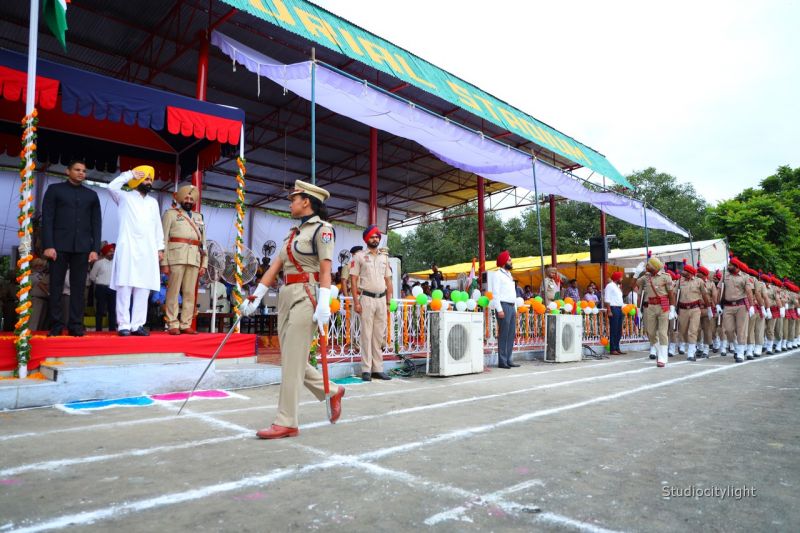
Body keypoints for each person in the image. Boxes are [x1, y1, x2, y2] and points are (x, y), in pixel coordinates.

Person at [240, 180, 344, 440]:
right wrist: (256, 296)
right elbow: (275, 267)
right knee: (290, 358)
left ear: (306, 201)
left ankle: (286, 421)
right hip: (285, 295)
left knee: (292, 362)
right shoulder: (293, 234)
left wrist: (322, 303)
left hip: (307, 295)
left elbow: (325, 269)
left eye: (293, 198)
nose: (290, 203)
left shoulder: (323, 230)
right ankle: (332, 390)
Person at [41, 159, 102, 336]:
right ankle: (56, 326)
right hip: (58, 246)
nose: (81, 173)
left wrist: (94, 249)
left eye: (84, 170)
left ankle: (76, 325)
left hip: (83, 247)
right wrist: (48, 245)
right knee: (56, 286)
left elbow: (96, 224)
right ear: (68, 171)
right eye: (77, 169)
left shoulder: (92, 195)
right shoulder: (54, 190)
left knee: (78, 288)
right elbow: (47, 219)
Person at [108, 166, 165, 336]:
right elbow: (111, 186)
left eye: (150, 179)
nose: (148, 182)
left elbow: (157, 227)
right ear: (137, 180)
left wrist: (160, 248)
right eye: (145, 178)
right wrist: (129, 174)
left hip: (148, 250)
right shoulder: (124, 196)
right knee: (125, 286)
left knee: (143, 288)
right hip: (128, 248)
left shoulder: (153, 202)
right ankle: (124, 325)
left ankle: (137, 325)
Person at [160, 184, 207, 335]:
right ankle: (172, 322)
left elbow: (203, 243)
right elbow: (163, 239)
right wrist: (164, 262)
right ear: (180, 198)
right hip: (176, 257)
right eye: (186, 197)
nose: (188, 200)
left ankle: (186, 323)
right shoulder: (170, 214)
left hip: (194, 257)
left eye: (191, 198)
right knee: (173, 292)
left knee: (189, 293)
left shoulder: (199, 217)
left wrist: (204, 263)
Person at [350, 224, 393, 381]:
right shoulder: (359, 256)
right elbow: (353, 280)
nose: (375, 239)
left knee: (378, 335)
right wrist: (356, 301)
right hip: (366, 298)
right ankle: (366, 369)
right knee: (366, 335)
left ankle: (378, 369)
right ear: (367, 239)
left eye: (377, 237)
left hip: (381, 299)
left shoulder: (384, 257)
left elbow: (388, 280)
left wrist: (389, 301)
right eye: (372, 236)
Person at [636, 255, 675, 367]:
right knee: (651, 332)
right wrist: (636, 274)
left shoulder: (666, 277)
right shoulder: (646, 277)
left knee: (662, 332)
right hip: (650, 307)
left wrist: (672, 309)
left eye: (649, 264)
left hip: (663, 306)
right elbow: (634, 284)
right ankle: (660, 352)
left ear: (654, 266)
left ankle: (662, 357)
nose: (646, 266)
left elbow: (671, 294)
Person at [717, 258, 755, 362]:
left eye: (730, 265)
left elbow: (749, 291)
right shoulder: (725, 276)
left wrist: (751, 305)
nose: (728, 266)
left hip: (741, 306)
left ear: (736, 266)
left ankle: (740, 353)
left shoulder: (745, 277)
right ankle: (736, 346)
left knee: (741, 330)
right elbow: (720, 290)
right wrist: (718, 304)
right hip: (728, 306)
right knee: (728, 330)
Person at [675, 261, 711, 361]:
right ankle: (691, 346)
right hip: (682, 309)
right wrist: (673, 308)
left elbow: (705, 295)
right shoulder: (679, 281)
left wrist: (708, 308)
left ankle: (691, 352)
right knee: (683, 331)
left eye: (685, 271)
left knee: (693, 330)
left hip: (695, 309)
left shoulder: (699, 281)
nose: (683, 272)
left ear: (690, 273)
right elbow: (675, 295)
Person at [492, 250, 519, 368]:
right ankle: (502, 361)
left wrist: (516, 309)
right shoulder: (497, 274)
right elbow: (495, 293)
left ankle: (509, 359)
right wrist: (499, 309)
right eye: (509, 259)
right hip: (503, 306)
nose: (511, 261)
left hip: (512, 306)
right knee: (504, 334)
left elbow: (512, 293)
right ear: (503, 262)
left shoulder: (509, 275)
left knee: (511, 334)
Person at [88, 243, 117, 331]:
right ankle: (98, 329)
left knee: (112, 310)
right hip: (101, 288)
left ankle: (112, 329)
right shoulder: (98, 263)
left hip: (112, 288)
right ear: (105, 252)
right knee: (100, 310)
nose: (112, 253)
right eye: (110, 251)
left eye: (113, 251)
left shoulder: (116, 263)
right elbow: (92, 277)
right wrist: (100, 281)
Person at [604, 271, 625, 355]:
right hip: (613, 308)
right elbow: (607, 299)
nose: (622, 279)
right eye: (621, 277)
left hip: (619, 308)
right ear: (617, 278)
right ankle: (612, 349)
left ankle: (617, 347)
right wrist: (609, 310)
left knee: (619, 330)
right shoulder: (610, 286)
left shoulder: (618, 286)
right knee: (614, 329)